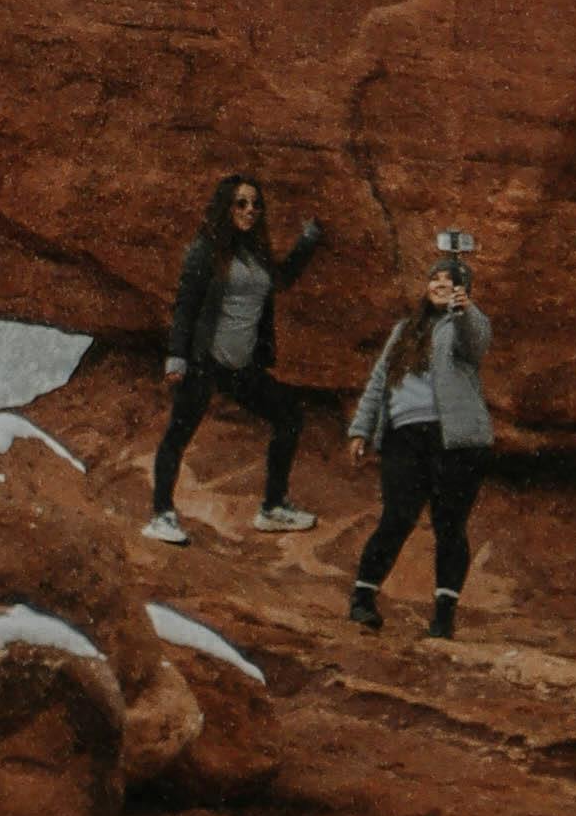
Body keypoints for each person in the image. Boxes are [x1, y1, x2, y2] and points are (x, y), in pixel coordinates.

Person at [148, 170, 325, 544]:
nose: (250, 210)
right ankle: (161, 514)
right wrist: (177, 357)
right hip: (204, 361)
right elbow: (186, 307)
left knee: (289, 415)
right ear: (225, 207)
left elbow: (281, 280)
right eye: (241, 203)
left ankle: (273, 508)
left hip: (242, 366)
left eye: (256, 204)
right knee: (179, 434)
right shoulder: (205, 250)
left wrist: (308, 242)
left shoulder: (255, 252)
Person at [345, 228, 495, 641]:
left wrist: (465, 309)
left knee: (450, 525)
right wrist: (361, 429)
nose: (441, 286)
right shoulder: (403, 331)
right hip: (405, 436)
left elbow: (477, 340)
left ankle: (443, 618)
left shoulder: (465, 325)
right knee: (396, 516)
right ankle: (362, 600)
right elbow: (379, 381)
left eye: (451, 283)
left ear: (462, 291)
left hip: (455, 441)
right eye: (436, 280)